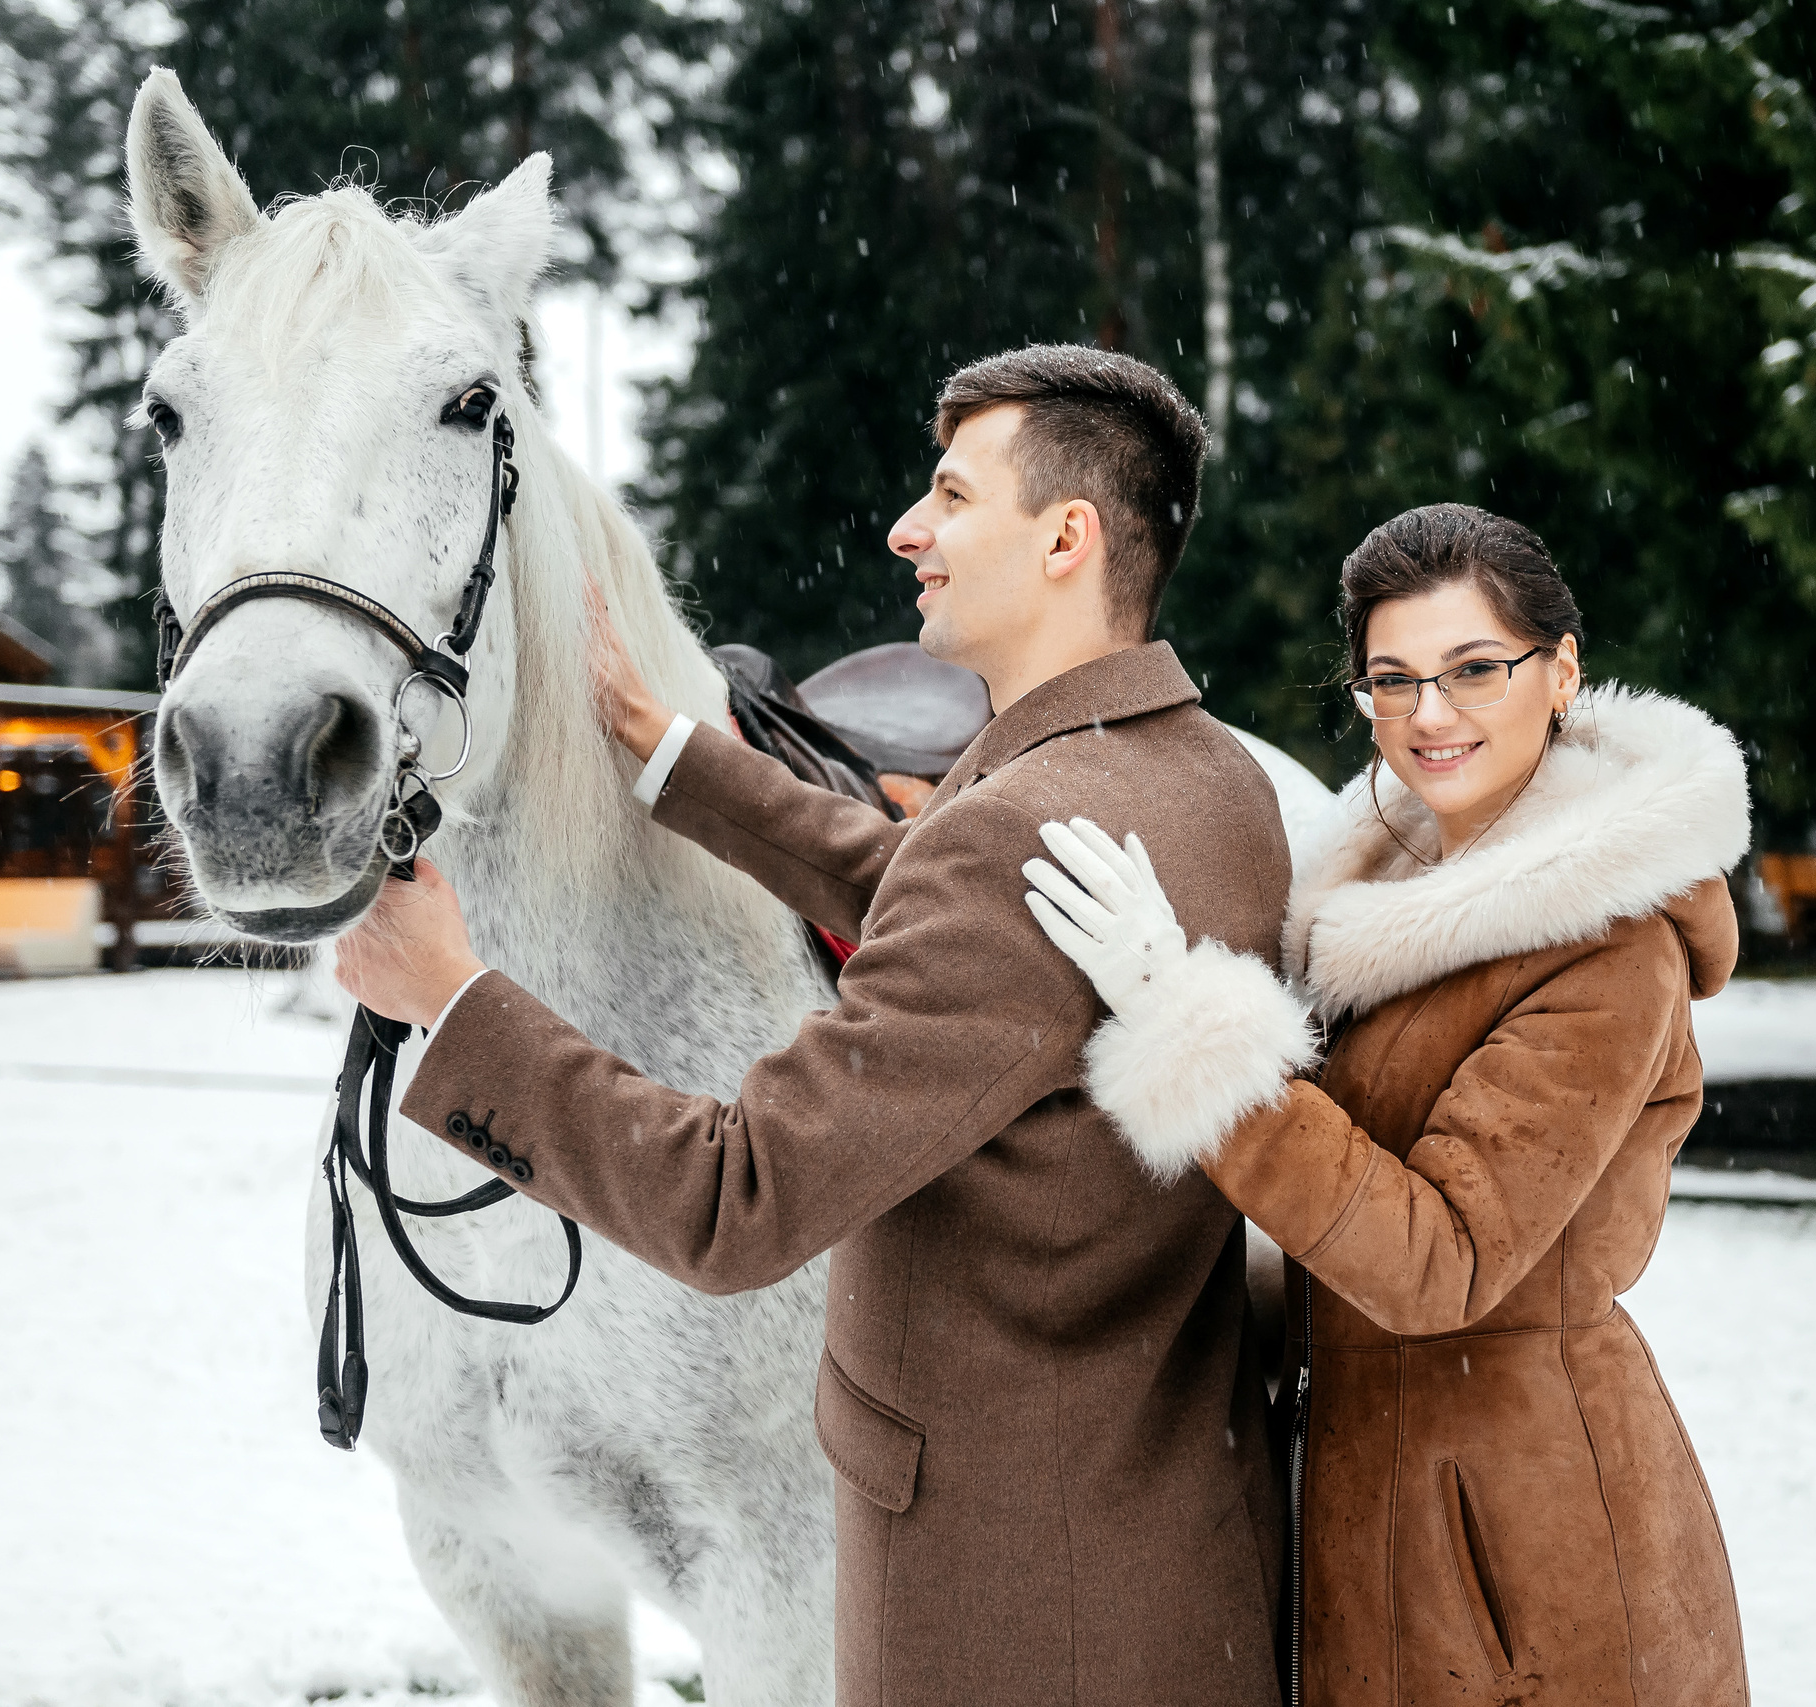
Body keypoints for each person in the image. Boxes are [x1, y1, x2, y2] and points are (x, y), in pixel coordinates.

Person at [334, 346, 1298, 1707]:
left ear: (1069, 537)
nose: (910, 527)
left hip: (1007, 1600)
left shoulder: (1014, 823)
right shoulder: (1202, 776)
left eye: (953, 495)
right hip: (1159, 1529)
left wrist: (456, 1002)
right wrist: (678, 756)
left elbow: (738, 1200)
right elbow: (980, 920)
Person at [1021, 503, 1753, 1706]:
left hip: (1520, 1546)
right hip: (1363, 1496)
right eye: (1391, 679)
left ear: (1560, 671)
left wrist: (1188, 1021)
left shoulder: (1607, 949)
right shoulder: (1369, 899)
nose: (1429, 716)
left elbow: (1440, 1261)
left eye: (1475, 670)